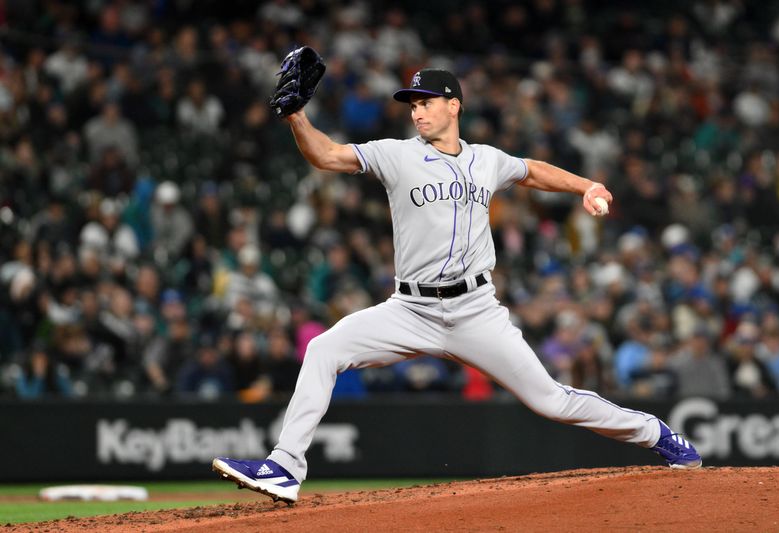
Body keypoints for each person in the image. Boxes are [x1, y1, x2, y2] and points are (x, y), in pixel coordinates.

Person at [213, 67, 702, 503]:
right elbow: (326, 156)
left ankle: (654, 433)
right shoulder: (394, 156)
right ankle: (285, 468)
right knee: (323, 348)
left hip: (475, 310)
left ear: (454, 105)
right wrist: (296, 117)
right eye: (412, 104)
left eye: (426, 101)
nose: (417, 111)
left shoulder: (486, 160)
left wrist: (586, 186)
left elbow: (533, 171)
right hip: (409, 309)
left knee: (550, 400)